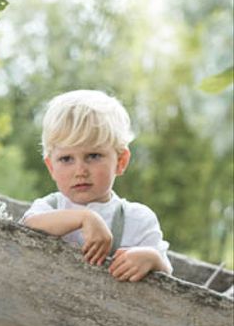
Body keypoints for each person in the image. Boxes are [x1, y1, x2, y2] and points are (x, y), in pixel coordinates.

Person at [21, 90, 172, 282]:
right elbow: (29, 225)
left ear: (121, 161)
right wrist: (84, 217)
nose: (80, 170)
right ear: (51, 167)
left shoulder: (138, 219)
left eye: (93, 156)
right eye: (66, 159)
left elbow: (167, 273)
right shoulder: (50, 208)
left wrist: (153, 259)